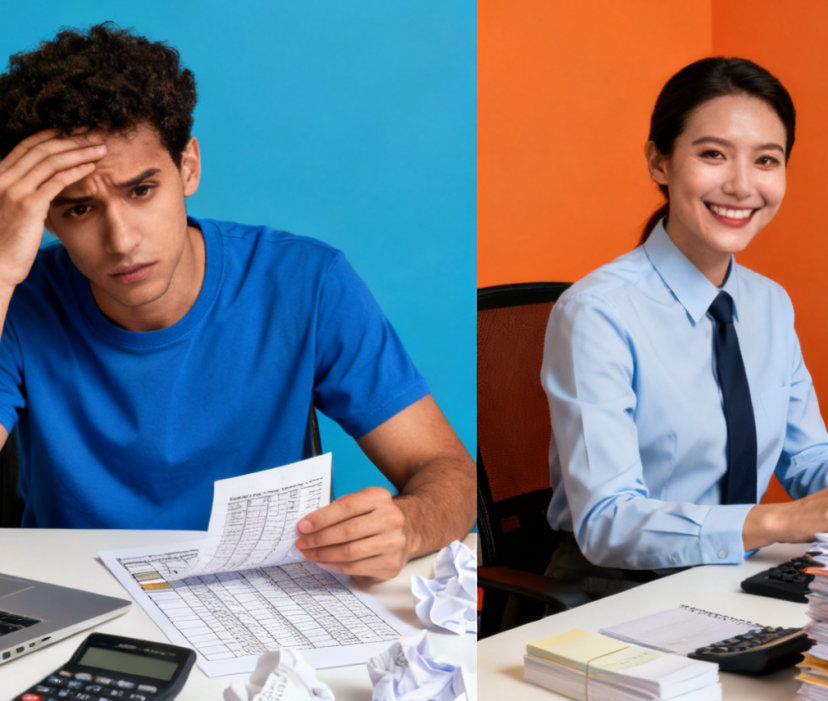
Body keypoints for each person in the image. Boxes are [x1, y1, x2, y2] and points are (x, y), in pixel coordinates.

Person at [0, 24, 476, 580]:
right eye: (78, 209)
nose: (122, 241)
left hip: (266, 598)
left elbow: (449, 472)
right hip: (77, 594)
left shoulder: (306, 282)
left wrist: (409, 524)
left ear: (188, 166)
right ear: (42, 214)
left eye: (141, 190)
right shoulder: (17, 299)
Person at [541, 56, 828, 598]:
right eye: (713, 154)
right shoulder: (597, 312)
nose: (741, 186)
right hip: (613, 587)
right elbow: (608, 522)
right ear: (659, 162)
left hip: (732, 573)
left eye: (766, 160)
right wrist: (784, 520)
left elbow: (808, 459)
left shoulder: (768, 303)